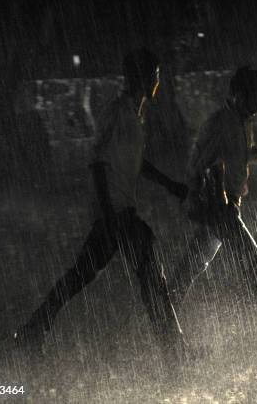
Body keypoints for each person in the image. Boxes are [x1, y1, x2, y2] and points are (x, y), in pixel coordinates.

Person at [14, 48, 188, 352]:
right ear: (144, 78)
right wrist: (109, 216)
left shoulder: (134, 114)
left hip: (119, 212)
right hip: (116, 213)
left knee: (87, 275)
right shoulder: (119, 112)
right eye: (156, 76)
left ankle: (33, 329)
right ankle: (174, 347)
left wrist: (169, 185)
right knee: (145, 275)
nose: (159, 82)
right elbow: (96, 161)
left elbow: (136, 162)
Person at [168, 66, 257, 315]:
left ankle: (164, 312)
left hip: (223, 203)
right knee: (254, 261)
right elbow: (206, 165)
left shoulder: (241, 122)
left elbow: (244, 155)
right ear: (237, 94)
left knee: (195, 264)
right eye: (256, 101)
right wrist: (223, 203)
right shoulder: (221, 124)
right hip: (217, 204)